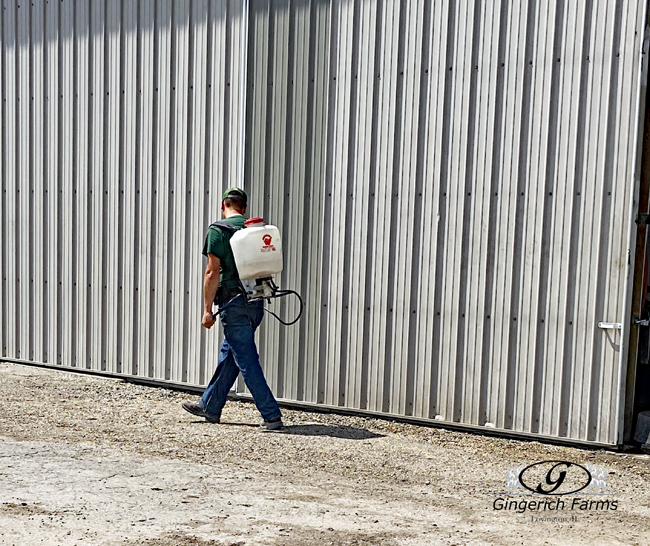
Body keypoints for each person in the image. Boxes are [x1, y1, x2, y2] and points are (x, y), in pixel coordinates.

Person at [182, 188, 283, 431]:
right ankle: (210, 405)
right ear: (244, 208)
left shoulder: (218, 230)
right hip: (256, 302)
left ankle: (271, 415)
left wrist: (207, 309)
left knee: (246, 359)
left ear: (223, 206)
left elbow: (212, 272)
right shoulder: (253, 231)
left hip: (233, 304)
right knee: (231, 354)